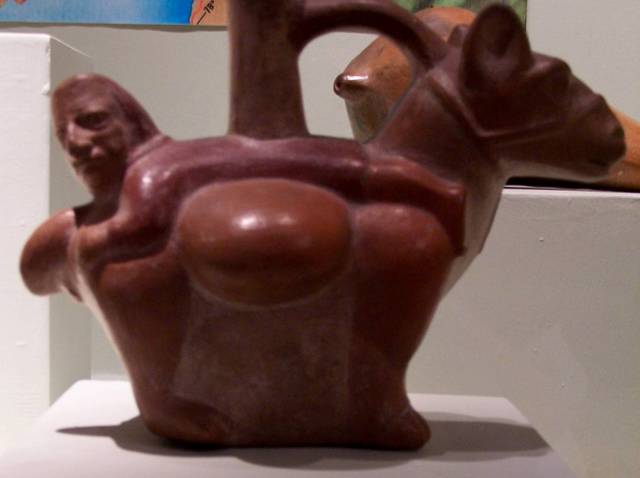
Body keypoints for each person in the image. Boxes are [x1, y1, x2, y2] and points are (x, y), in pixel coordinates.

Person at [20, 74, 166, 297]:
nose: (74, 144)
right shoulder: (67, 234)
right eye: (62, 134)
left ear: (134, 124)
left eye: (94, 121)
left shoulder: (183, 172)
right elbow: (36, 277)